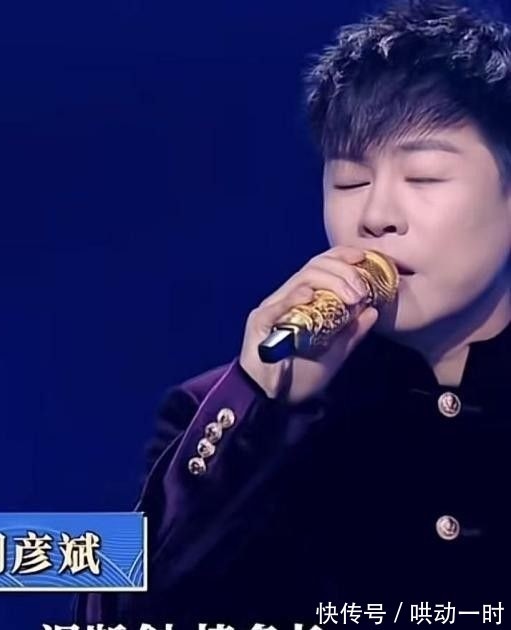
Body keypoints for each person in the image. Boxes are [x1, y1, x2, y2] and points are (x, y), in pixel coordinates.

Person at [73, 0, 511, 627]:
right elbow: (109, 616)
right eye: (350, 182)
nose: (376, 216)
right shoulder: (222, 414)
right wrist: (262, 404)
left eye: (424, 176)